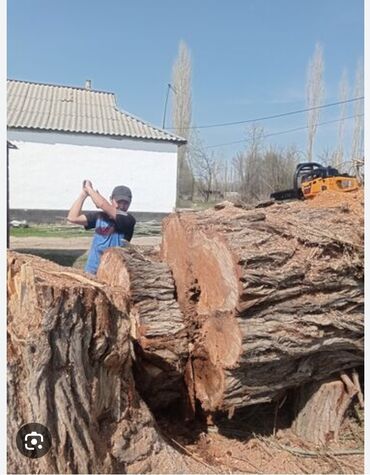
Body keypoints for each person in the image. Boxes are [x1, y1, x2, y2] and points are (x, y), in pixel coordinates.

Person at [67, 180, 136, 274]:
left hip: (113, 273)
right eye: (119, 202)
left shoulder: (128, 220)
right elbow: (72, 217)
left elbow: (102, 204)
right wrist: (83, 194)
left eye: (125, 203)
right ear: (111, 199)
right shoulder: (99, 216)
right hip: (91, 270)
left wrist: (90, 189)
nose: (122, 206)